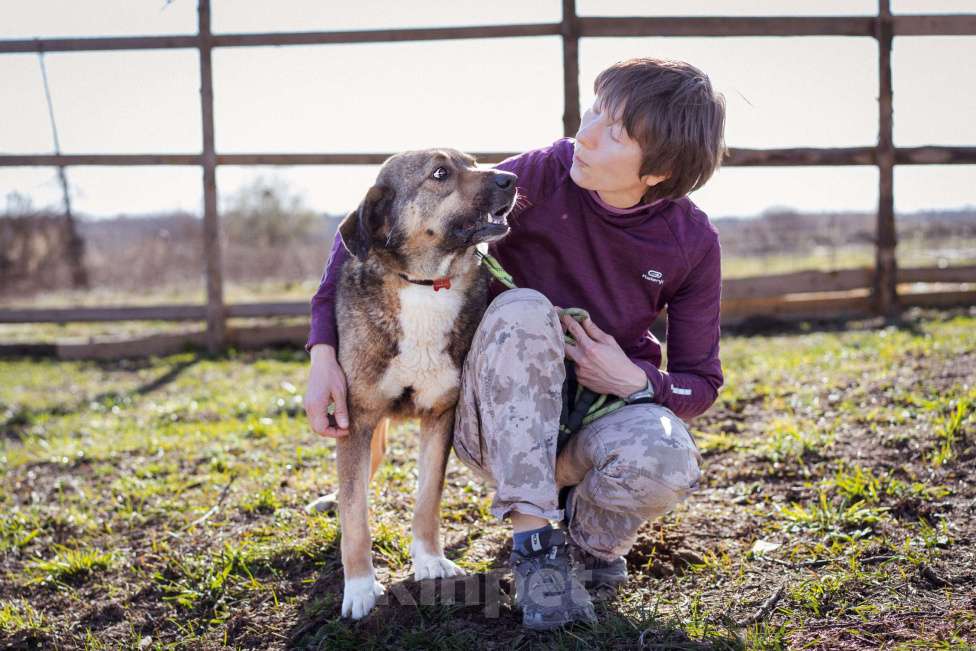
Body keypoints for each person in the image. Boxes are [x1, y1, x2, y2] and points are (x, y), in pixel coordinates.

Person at [304, 57, 727, 630]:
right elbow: (371, 227)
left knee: (667, 455)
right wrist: (322, 352)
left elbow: (702, 383)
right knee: (526, 309)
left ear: (659, 169)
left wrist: (636, 379)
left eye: (614, 132)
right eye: (593, 112)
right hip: (497, 426)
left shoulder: (692, 242)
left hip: (592, 419)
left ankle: (589, 549)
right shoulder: (545, 172)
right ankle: (535, 548)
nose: (585, 134)